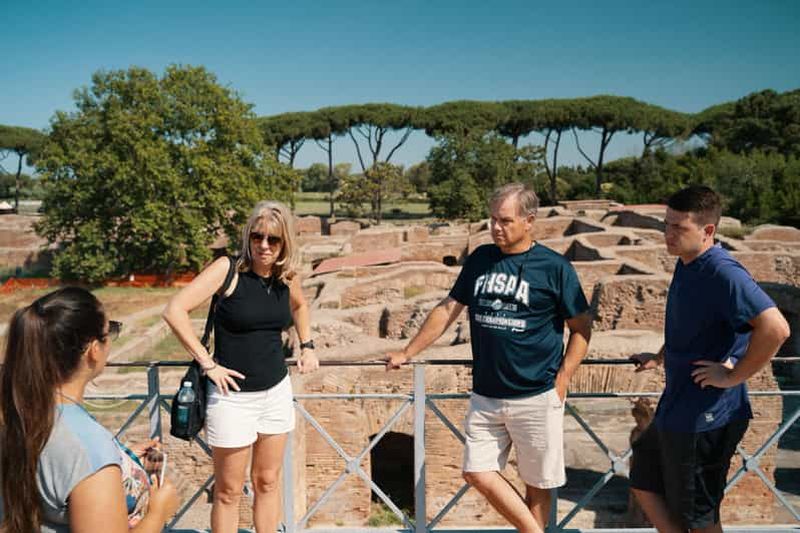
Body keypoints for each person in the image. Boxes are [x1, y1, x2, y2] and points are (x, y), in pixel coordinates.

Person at [385, 183, 592, 533]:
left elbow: (582, 329)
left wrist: (564, 377)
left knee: (538, 482)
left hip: (537, 393)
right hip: (486, 395)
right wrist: (408, 352)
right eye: (493, 219)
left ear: (529, 221)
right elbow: (448, 308)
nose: (496, 227)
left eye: (505, 220)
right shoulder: (481, 258)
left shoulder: (554, 268)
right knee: (476, 472)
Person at [629, 185, 791, 533]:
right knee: (644, 479)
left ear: (708, 231)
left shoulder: (723, 272)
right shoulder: (688, 263)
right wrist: (659, 357)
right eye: (667, 224)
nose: (668, 235)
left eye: (679, 228)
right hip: (678, 408)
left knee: (699, 518)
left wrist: (733, 376)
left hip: (707, 415)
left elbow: (776, 329)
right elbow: (693, 326)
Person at [163, 200, 319, 533]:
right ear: (248, 237)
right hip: (231, 396)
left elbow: (301, 306)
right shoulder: (227, 270)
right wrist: (208, 364)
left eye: (273, 240)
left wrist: (307, 346)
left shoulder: (286, 276)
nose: (264, 246)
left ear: (284, 243)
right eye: (257, 237)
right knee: (229, 491)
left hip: (276, 391)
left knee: (267, 481)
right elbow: (175, 310)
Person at [0, 287, 180, 533]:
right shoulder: (87, 445)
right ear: (94, 349)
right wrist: (158, 514)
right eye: (111, 331)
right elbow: (77, 460)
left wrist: (120, 461)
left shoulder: (21, 414)